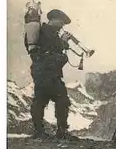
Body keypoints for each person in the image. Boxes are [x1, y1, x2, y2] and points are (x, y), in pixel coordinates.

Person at [27, 9, 78, 140]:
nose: (62, 26)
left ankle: (39, 131)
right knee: (61, 99)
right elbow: (52, 47)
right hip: (48, 72)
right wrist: (63, 41)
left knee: (41, 99)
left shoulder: (44, 32)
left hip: (42, 72)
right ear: (53, 20)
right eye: (61, 23)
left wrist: (61, 43)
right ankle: (61, 131)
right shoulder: (47, 31)